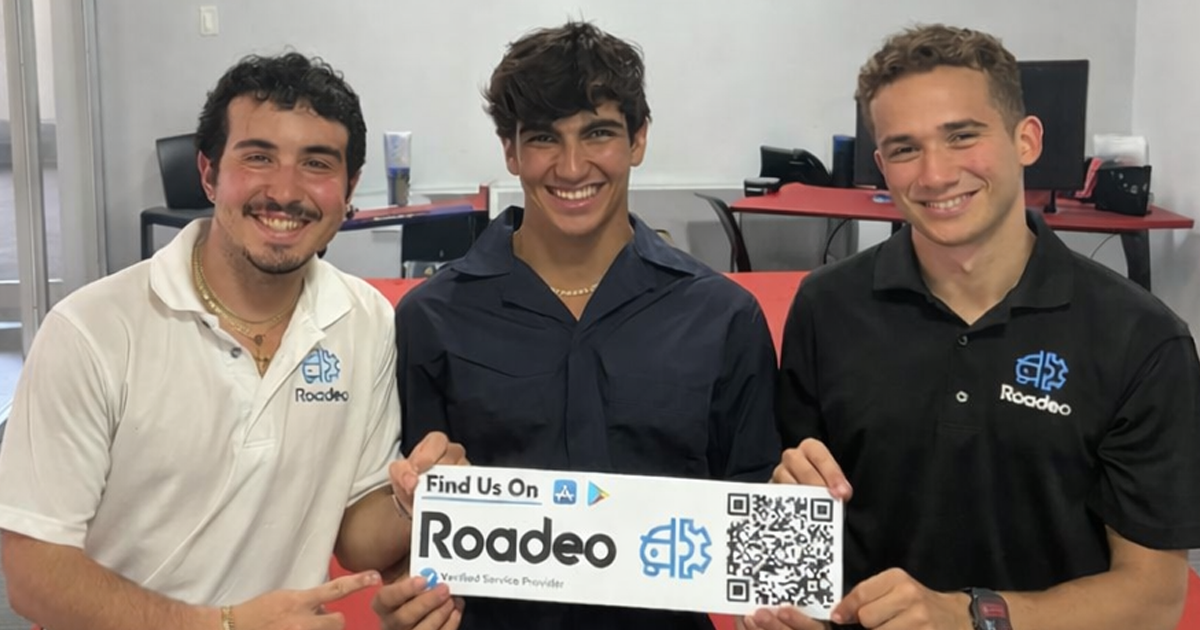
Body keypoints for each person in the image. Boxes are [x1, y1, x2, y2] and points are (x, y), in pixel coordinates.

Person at [758, 24, 1200, 630]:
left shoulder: (1142, 339)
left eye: (962, 136)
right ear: (881, 165)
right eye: (905, 149)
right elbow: (798, 513)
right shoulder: (825, 306)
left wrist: (969, 615)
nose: (935, 175)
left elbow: (1154, 599)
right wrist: (790, 590)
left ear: (1026, 140)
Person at [0, 52, 462, 630]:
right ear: (209, 172)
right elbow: (33, 575)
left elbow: (356, 534)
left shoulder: (364, 319)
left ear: (348, 190)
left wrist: (415, 496)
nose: (285, 190)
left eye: (316, 163)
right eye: (258, 157)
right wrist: (222, 625)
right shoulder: (92, 331)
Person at [376, 20, 782, 630]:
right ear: (511, 151)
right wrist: (409, 596)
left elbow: (758, 516)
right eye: (544, 137)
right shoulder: (432, 318)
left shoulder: (723, 317)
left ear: (638, 139)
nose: (571, 167)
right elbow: (409, 529)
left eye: (598, 133)